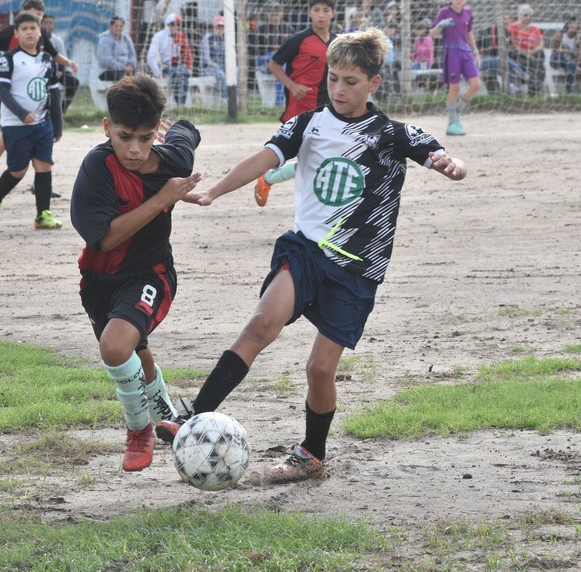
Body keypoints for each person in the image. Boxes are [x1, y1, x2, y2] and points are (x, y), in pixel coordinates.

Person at [157, 28, 467, 485]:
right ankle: (192, 418)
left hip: (357, 267)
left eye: (351, 82)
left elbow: (443, 156)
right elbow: (264, 159)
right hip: (305, 250)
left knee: (319, 369)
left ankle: (311, 454)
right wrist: (214, 191)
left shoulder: (392, 134)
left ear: (374, 83)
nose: (338, 89)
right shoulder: (307, 124)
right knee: (261, 324)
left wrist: (452, 165)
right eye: (333, 79)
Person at [70, 75, 202, 472]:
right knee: (135, 352)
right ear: (107, 127)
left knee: (115, 347)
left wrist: (177, 133)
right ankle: (170, 419)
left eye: (145, 138)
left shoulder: (174, 161)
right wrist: (163, 199)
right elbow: (106, 239)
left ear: (156, 131)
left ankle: (139, 430)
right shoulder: (97, 168)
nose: (134, 149)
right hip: (100, 280)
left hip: (151, 273)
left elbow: (187, 132)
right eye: (124, 136)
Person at [0, 0, 77, 204]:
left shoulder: (40, 35)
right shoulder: (14, 33)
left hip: (32, 100)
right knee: (9, 144)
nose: (36, 18)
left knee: (15, 142)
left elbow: (53, 54)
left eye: (39, 15)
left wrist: (68, 63)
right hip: (15, 95)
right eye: (33, 14)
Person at [255, 0, 338, 208]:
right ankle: (269, 179)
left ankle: (270, 180)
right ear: (309, 13)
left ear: (333, 13)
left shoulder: (338, 42)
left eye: (325, 10)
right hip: (299, 109)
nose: (321, 15)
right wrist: (292, 86)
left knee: (318, 160)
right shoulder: (298, 40)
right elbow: (274, 64)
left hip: (327, 109)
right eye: (316, 10)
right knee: (311, 161)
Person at [0, 12, 63, 230]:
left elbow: (54, 93)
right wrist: (21, 113)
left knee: (44, 166)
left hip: (43, 123)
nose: (29, 32)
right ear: (16, 34)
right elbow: (1, 90)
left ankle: (42, 215)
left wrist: (58, 126)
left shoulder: (47, 60)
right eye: (24, 28)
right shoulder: (8, 59)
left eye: (33, 28)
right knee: (18, 171)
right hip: (15, 124)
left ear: (40, 32)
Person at [430, 0, 481, 136]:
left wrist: (475, 50)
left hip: (466, 53)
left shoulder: (468, 12)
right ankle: (452, 124)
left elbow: (469, 32)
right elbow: (432, 33)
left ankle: (457, 110)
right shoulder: (444, 12)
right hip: (452, 53)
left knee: (476, 85)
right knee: (454, 88)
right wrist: (441, 25)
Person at [147, 13, 193, 106]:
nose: (176, 27)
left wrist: (189, 67)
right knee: (176, 72)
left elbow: (187, 53)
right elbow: (150, 57)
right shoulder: (159, 36)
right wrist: (158, 73)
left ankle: (182, 103)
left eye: (178, 24)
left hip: (177, 65)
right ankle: (179, 103)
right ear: (167, 25)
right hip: (163, 66)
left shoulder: (181, 36)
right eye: (173, 24)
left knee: (184, 72)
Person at [42, 14, 79, 113]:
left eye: (51, 23)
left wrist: (61, 71)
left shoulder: (57, 40)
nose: (48, 25)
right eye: (46, 22)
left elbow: (62, 57)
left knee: (73, 82)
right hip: (40, 71)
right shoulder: (38, 39)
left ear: (54, 25)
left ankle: (62, 109)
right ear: (41, 24)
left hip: (56, 71)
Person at [507, 5, 545, 96]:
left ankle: (534, 91)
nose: (528, 17)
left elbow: (541, 43)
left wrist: (533, 51)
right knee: (521, 65)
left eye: (531, 16)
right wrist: (525, 53)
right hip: (518, 53)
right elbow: (511, 43)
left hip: (533, 53)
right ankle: (519, 90)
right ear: (520, 16)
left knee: (540, 68)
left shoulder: (536, 29)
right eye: (525, 15)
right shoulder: (512, 27)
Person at [96, 16, 137, 81]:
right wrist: (123, 67)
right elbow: (106, 60)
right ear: (111, 26)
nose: (118, 28)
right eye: (116, 26)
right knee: (125, 80)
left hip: (126, 69)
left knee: (138, 79)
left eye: (121, 26)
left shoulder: (126, 38)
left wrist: (131, 65)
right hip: (109, 70)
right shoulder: (105, 39)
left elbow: (132, 55)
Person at [201, 16, 228, 100]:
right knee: (220, 74)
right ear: (214, 27)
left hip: (222, 67)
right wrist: (219, 67)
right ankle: (225, 99)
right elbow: (207, 59)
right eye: (218, 27)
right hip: (208, 69)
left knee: (236, 72)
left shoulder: (225, 40)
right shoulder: (208, 38)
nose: (220, 29)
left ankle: (235, 97)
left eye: (222, 27)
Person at [549, 15, 577, 94]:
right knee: (561, 57)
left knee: (570, 70)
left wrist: (573, 59)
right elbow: (554, 51)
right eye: (570, 23)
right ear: (567, 25)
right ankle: (576, 67)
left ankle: (568, 91)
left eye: (574, 23)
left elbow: (578, 55)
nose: (573, 25)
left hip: (569, 62)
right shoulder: (561, 35)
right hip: (556, 60)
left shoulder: (578, 37)